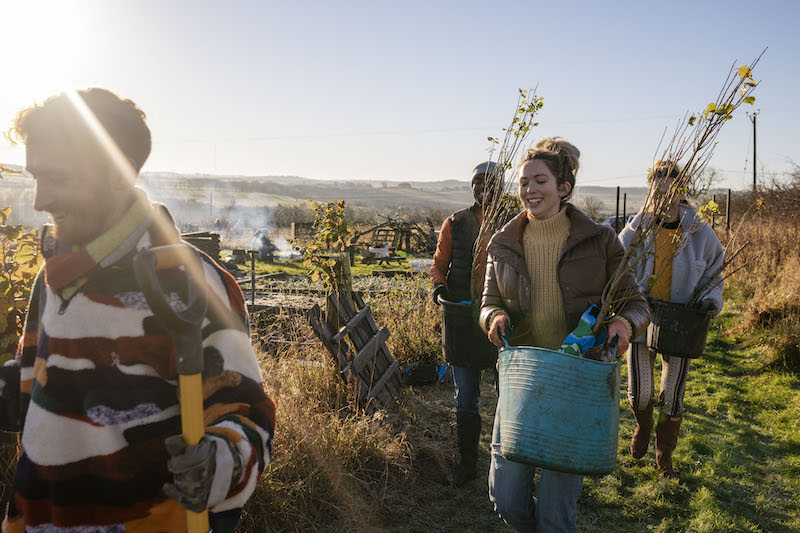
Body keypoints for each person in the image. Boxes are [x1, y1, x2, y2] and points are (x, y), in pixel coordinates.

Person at [0, 88, 276, 531]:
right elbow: (41, 378)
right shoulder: (55, 276)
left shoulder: (184, 281)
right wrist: (13, 389)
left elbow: (246, 414)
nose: (40, 201)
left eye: (60, 178)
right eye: (36, 177)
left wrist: (218, 463)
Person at [480, 138, 650, 532]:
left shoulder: (600, 241)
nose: (529, 190)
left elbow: (636, 302)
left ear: (564, 189)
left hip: (575, 383)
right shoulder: (503, 243)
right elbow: (488, 300)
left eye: (540, 181)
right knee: (505, 498)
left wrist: (623, 325)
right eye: (523, 183)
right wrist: (493, 317)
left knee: (556, 513)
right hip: (522, 382)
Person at [619, 160, 724, 478]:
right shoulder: (636, 231)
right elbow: (616, 266)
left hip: (681, 321)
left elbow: (714, 270)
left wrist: (709, 301)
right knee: (641, 392)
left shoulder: (699, 232)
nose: (665, 197)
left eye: (672, 191)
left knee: (673, 395)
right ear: (650, 191)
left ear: (682, 194)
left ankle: (664, 454)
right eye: (658, 190)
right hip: (641, 318)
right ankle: (643, 426)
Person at [430, 161, 499, 487]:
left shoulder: (513, 222)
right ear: (471, 186)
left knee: (507, 394)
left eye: (490, 182)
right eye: (478, 182)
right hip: (460, 318)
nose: (484, 188)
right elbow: (439, 264)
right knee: (465, 397)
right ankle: (467, 464)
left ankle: (504, 462)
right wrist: (439, 286)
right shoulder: (455, 223)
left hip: (502, 322)